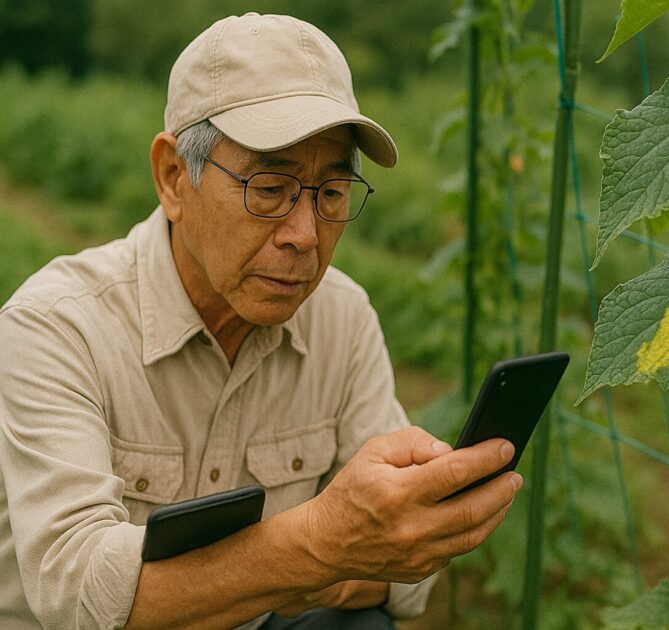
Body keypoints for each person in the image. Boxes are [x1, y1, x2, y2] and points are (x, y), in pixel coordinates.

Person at [0, 12, 523, 630]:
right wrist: (318, 546)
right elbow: (75, 589)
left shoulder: (342, 318)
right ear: (174, 178)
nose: (305, 235)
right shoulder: (56, 327)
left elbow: (402, 578)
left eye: (331, 193)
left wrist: (353, 548)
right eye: (269, 188)